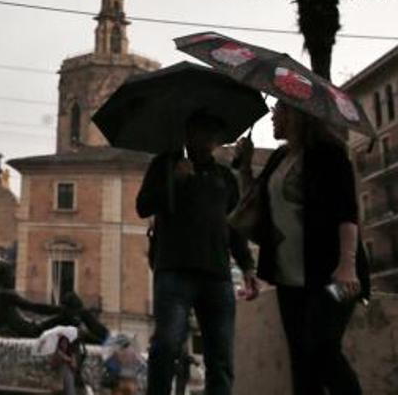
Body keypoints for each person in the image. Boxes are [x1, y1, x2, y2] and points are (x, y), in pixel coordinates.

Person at [235, 102, 369, 395]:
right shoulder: (279, 158)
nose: (272, 115)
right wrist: (244, 166)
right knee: (301, 360)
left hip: (333, 277)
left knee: (323, 348)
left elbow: (347, 212)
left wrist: (347, 265)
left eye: (279, 109)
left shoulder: (330, 154)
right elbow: (254, 204)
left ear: (298, 114)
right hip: (289, 278)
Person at [135, 110, 258, 395]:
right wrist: (174, 180)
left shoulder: (224, 177)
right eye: (202, 131)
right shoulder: (164, 165)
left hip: (217, 275)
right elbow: (142, 206)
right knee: (166, 345)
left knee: (221, 358)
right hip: (173, 271)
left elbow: (235, 227)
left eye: (213, 132)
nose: (208, 138)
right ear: (188, 134)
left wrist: (248, 267)